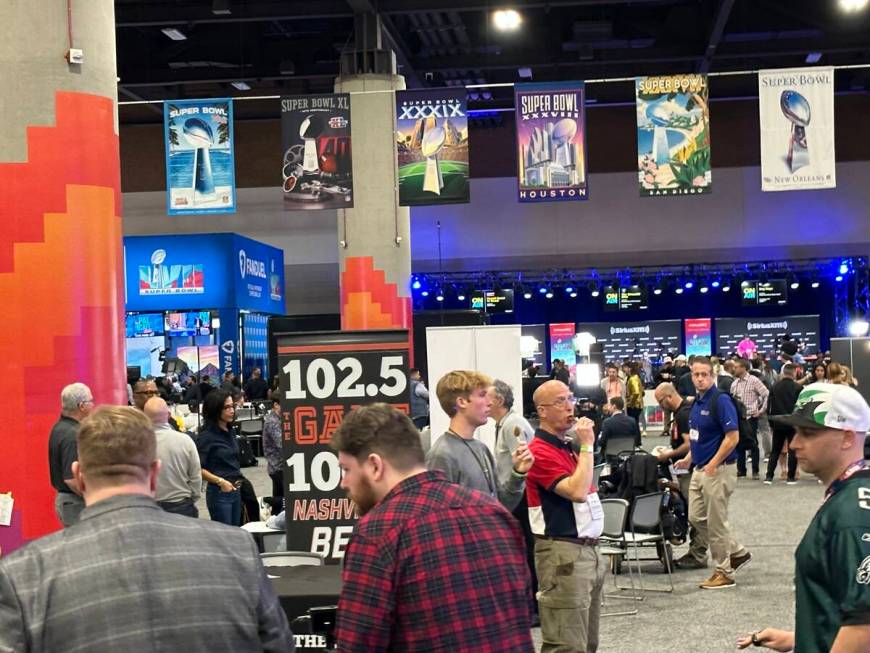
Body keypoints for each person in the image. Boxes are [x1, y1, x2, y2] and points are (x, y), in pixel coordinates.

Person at [0, 406, 294, 652]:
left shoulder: (24, 575)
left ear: (78, 476)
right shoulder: (237, 550)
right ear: (154, 472)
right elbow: (279, 646)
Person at [332, 403, 534, 652]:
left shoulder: (376, 535)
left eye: (346, 469)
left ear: (375, 466)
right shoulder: (496, 514)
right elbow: (522, 612)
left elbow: (359, 645)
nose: (344, 482)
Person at [738, 383, 870, 653]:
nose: (795, 443)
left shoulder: (852, 515)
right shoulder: (848, 497)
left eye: (808, 433)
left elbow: (864, 627)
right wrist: (802, 638)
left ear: (847, 438)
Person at [527, 380, 604, 653]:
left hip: (587, 552)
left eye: (570, 397)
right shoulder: (538, 451)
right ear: (542, 411)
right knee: (566, 644)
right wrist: (587, 446)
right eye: (560, 401)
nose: (570, 405)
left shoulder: (565, 446)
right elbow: (578, 491)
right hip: (563, 554)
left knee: (587, 642)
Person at [675, 356, 752, 589]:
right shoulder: (697, 403)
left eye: (704, 374)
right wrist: (688, 458)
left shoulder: (721, 400)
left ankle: (724, 572)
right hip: (700, 468)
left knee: (717, 523)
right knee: (695, 517)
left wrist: (714, 462)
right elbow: (698, 436)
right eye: (696, 375)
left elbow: (732, 437)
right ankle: (737, 551)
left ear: (713, 375)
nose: (700, 379)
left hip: (718, 469)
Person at [427, 370, 533, 510]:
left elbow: (502, 505)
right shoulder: (442, 455)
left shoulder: (481, 448)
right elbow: (437, 516)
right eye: (482, 395)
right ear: (462, 402)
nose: (490, 403)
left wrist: (518, 472)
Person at [487, 379, 538, 617]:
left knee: (527, 549)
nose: (483, 402)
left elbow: (528, 461)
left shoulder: (513, 425)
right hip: (512, 496)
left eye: (486, 396)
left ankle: (534, 607)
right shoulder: (504, 425)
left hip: (521, 496)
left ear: (498, 400)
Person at [654, 382, 706, 568]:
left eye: (660, 402)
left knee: (696, 513)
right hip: (686, 467)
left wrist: (669, 454)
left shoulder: (684, 414)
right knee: (694, 510)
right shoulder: (684, 411)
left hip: (691, 468)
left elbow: (689, 444)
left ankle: (698, 554)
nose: (660, 406)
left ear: (668, 397)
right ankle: (696, 552)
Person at [143, 397, 201, 517]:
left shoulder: (137, 443)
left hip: (149, 507)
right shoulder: (185, 440)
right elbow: (195, 476)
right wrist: (192, 498)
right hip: (181, 505)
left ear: (144, 417)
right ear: (169, 415)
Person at [48, 383, 94, 527]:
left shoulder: (60, 427)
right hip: (75, 502)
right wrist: (94, 497)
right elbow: (70, 479)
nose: (93, 405)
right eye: (91, 401)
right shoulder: (72, 434)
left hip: (69, 502)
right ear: (81, 406)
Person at [197, 390, 243, 525]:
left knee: (235, 534)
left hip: (236, 488)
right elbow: (197, 468)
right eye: (226, 407)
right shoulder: (207, 437)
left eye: (232, 406)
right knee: (224, 537)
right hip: (219, 492)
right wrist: (220, 481)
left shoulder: (230, 431)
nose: (232, 410)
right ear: (215, 410)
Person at [730, 357, 770, 479]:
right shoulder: (734, 383)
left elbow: (767, 394)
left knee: (753, 444)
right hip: (739, 418)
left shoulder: (754, 381)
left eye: (736, 367)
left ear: (743, 368)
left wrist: (761, 410)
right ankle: (741, 470)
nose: (734, 369)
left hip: (751, 417)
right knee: (739, 444)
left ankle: (755, 471)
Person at [764, 363, 802, 485]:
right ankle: (790, 477)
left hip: (778, 422)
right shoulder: (798, 388)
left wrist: (771, 422)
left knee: (775, 450)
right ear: (794, 372)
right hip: (793, 423)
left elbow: (769, 407)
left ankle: (769, 477)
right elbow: (800, 407)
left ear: (784, 372)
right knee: (792, 450)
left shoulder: (774, 387)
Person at [262, 395, 285, 499]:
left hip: (280, 466)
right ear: (276, 405)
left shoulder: (280, 418)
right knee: (281, 500)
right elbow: (281, 442)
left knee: (279, 497)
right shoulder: (272, 421)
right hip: (277, 466)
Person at [624, 362, 644, 427]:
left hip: (634, 406)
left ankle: (636, 437)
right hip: (637, 405)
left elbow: (636, 392)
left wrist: (631, 404)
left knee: (634, 425)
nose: (624, 370)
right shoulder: (635, 377)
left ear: (629, 369)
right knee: (635, 424)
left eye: (625, 368)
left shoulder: (633, 379)